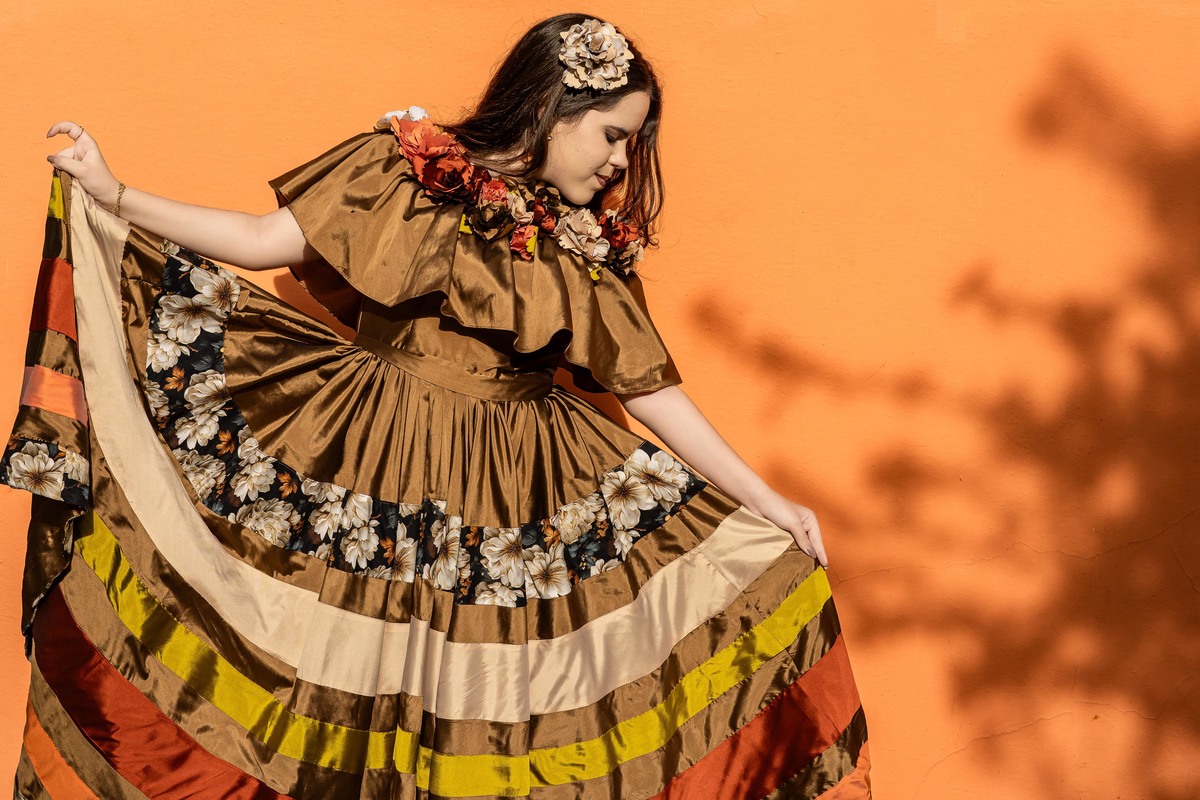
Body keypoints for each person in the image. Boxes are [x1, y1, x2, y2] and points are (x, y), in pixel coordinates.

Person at [4, 12, 871, 799]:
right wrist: (115, 194)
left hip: (509, 498)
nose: (620, 161)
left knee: (481, 719)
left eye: (631, 143)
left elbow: (652, 393)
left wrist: (769, 502)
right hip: (372, 464)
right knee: (332, 696)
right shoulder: (405, 170)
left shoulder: (580, 247)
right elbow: (260, 240)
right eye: (613, 134)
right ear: (553, 106)